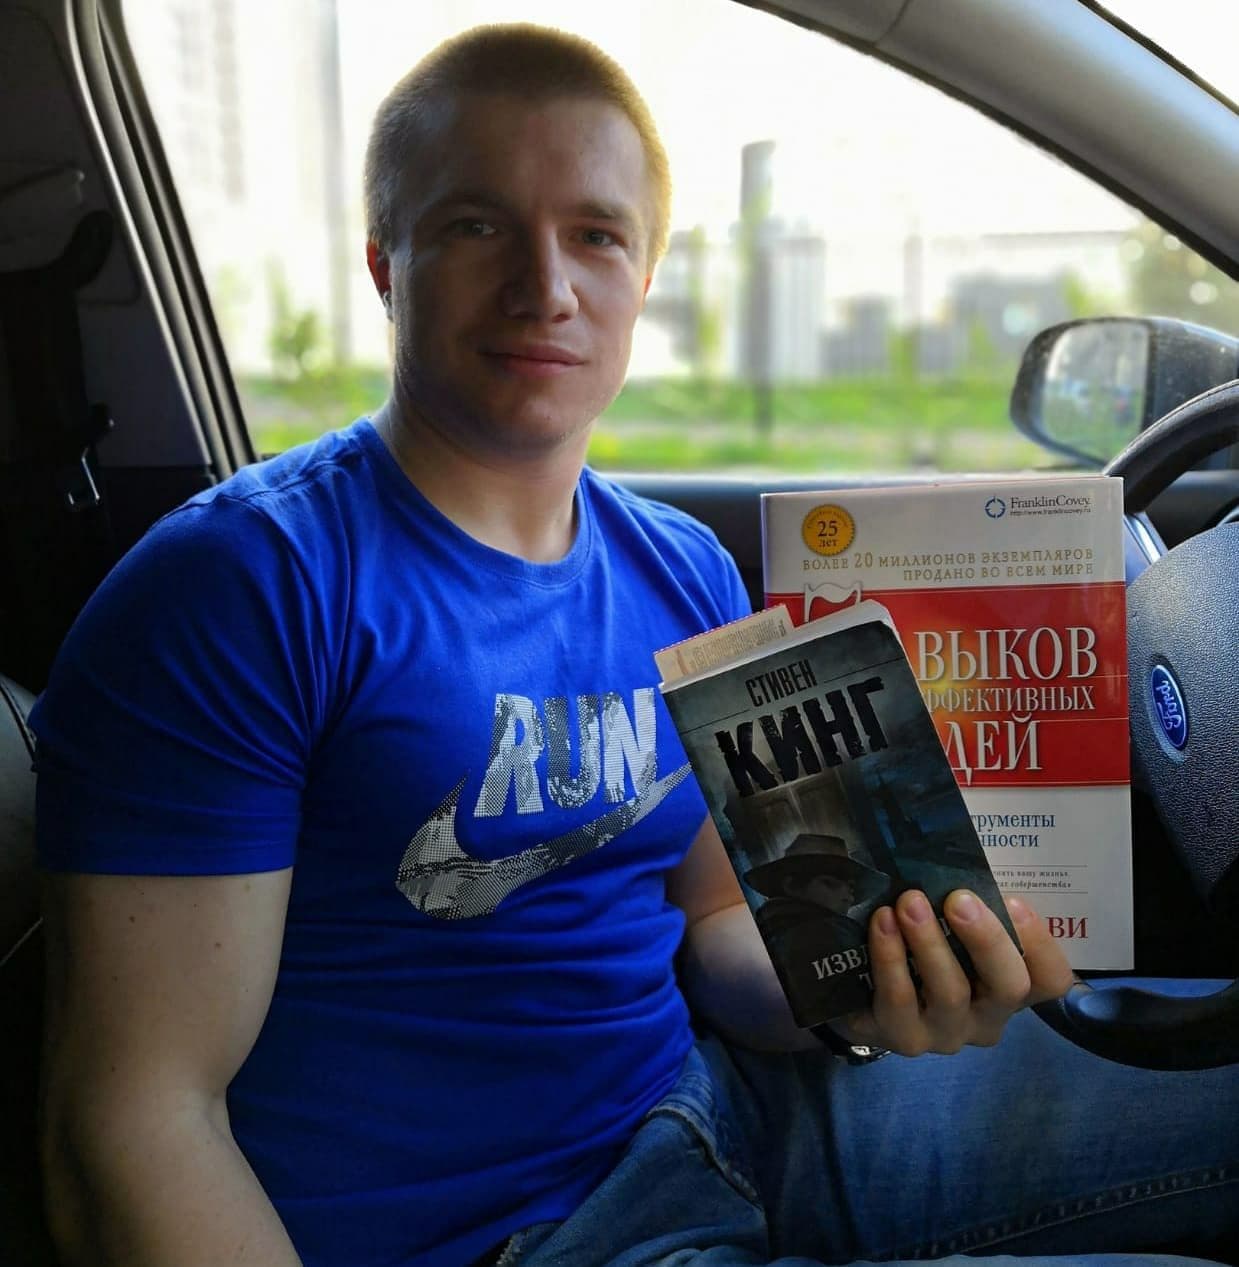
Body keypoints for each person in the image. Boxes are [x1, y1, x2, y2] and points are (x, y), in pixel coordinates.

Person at [30, 22, 1238, 1267]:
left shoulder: (683, 566)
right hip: (507, 1236)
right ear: (388, 264)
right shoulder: (236, 589)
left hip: (725, 1111)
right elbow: (130, 1123)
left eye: (597, 236)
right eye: (477, 225)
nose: (545, 285)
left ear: (645, 276)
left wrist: (865, 991)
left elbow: (719, 925)